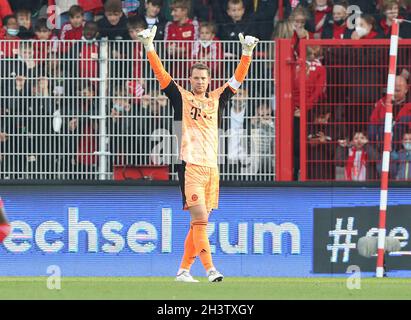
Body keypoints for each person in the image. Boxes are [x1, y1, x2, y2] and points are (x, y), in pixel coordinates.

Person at [137, 25, 258, 282]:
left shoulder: (216, 99)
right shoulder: (181, 97)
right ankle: (211, 269)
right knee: (201, 219)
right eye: (196, 78)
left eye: (203, 78)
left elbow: (236, 81)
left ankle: (183, 271)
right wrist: (149, 47)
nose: (200, 81)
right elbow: (162, 75)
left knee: (198, 223)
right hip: (190, 165)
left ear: (209, 80)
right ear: (190, 79)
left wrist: (246, 54)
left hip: (212, 168)